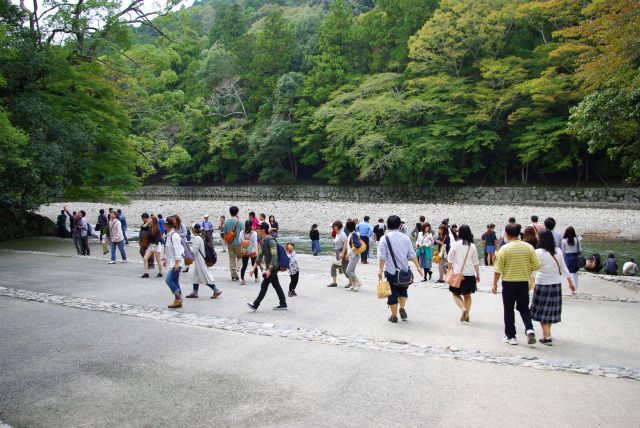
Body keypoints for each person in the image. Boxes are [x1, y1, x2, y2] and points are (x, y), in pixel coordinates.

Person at [492, 223, 541, 346]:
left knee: (509, 309)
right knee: (524, 307)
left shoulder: (505, 248)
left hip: (509, 283)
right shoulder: (528, 247)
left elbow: (498, 269)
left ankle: (511, 336)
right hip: (523, 282)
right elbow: (536, 265)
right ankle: (529, 329)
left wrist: (494, 284)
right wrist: (530, 276)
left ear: (507, 234)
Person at [530, 230, 575, 345]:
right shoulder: (558, 251)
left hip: (542, 284)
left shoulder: (538, 252)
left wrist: (530, 281)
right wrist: (570, 281)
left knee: (541, 312)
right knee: (549, 312)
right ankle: (547, 333)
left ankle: (547, 337)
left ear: (541, 239)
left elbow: (533, 268)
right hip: (555, 284)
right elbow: (563, 266)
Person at [378, 215, 423, 323]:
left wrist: (380, 270)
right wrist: (418, 267)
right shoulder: (405, 237)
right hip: (404, 271)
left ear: (388, 225)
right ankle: (402, 308)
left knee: (392, 293)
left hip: (391, 271)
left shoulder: (384, 238)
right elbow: (412, 254)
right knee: (403, 290)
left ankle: (394, 316)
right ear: (399, 225)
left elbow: (382, 257)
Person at [247, 222, 288, 311]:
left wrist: (269, 270)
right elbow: (260, 255)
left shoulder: (271, 241)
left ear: (262, 230)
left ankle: (255, 304)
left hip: (273, 267)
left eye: (258, 228)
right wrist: (253, 268)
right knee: (276, 285)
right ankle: (283, 303)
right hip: (270, 267)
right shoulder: (263, 240)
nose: (256, 229)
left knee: (264, 285)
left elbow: (275, 256)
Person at [447, 225, 481, 322]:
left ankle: (463, 309)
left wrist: (449, 270)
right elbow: (475, 262)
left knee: (455, 293)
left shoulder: (455, 244)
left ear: (459, 233)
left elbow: (450, 259)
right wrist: (478, 274)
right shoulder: (472, 246)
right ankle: (467, 315)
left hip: (458, 274)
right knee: (467, 295)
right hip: (470, 274)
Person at [185, 224, 222, 299]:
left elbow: (194, 251)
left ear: (194, 229)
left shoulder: (197, 238)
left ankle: (217, 290)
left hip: (200, 260)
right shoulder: (201, 236)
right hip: (200, 260)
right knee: (195, 277)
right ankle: (195, 292)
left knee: (205, 276)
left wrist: (187, 249)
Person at [163, 216, 184, 308]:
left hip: (177, 262)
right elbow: (169, 250)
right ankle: (177, 299)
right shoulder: (168, 235)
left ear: (166, 225)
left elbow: (178, 250)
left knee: (169, 280)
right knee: (175, 281)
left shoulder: (174, 236)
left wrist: (176, 263)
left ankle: (178, 298)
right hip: (172, 261)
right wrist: (166, 259)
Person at [223, 207, 243, 280]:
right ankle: (237, 269)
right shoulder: (240, 222)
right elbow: (243, 232)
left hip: (230, 243)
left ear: (230, 212)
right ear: (237, 212)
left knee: (231, 259)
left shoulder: (226, 222)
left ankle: (232, 274)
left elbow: (224, 233)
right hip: (238, 243)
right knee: (241, 257)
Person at [327, 221, 349, 288]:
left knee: (345, 268)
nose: (334, 227)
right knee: (333, 267)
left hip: (342, 252)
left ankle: (351, 282)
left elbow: (345, 244)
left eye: (335, 226)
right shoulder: (337, 234)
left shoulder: (342, 234)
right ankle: (334, 283)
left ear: (339, 226)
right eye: (334, 226)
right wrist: (334, 251)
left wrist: (342, 253)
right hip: (337, 252)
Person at [561, 226, 581, 293]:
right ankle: (575, 289)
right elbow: (580, 249)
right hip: (575, 257)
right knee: (575, 274)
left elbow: (563, 251)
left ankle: (572, 288)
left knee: (569, 274)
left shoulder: (563, 240)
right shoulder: (577, 239)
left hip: (567, 257)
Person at [344, 220, 362, 291]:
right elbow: (349, 245)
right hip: (352, 256)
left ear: (348, 227)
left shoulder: (354, 234)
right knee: (352, 271)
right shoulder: (351, 234)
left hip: (355, 255)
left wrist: (351, 251)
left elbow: (358, 244)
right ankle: (354, 286)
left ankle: (359, 282)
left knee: (348, 271)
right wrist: (348, 254)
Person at [240, 219, 259, 285]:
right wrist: (257, 251)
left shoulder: (242, 232)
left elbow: (240, 241)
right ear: (252, 225)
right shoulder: (254, 233)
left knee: (244, 265)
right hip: (252, 250)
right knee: (254, 265)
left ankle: (242, 279)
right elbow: (255, 243)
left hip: (244, 250)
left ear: (245, 225)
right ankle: (256, 278)